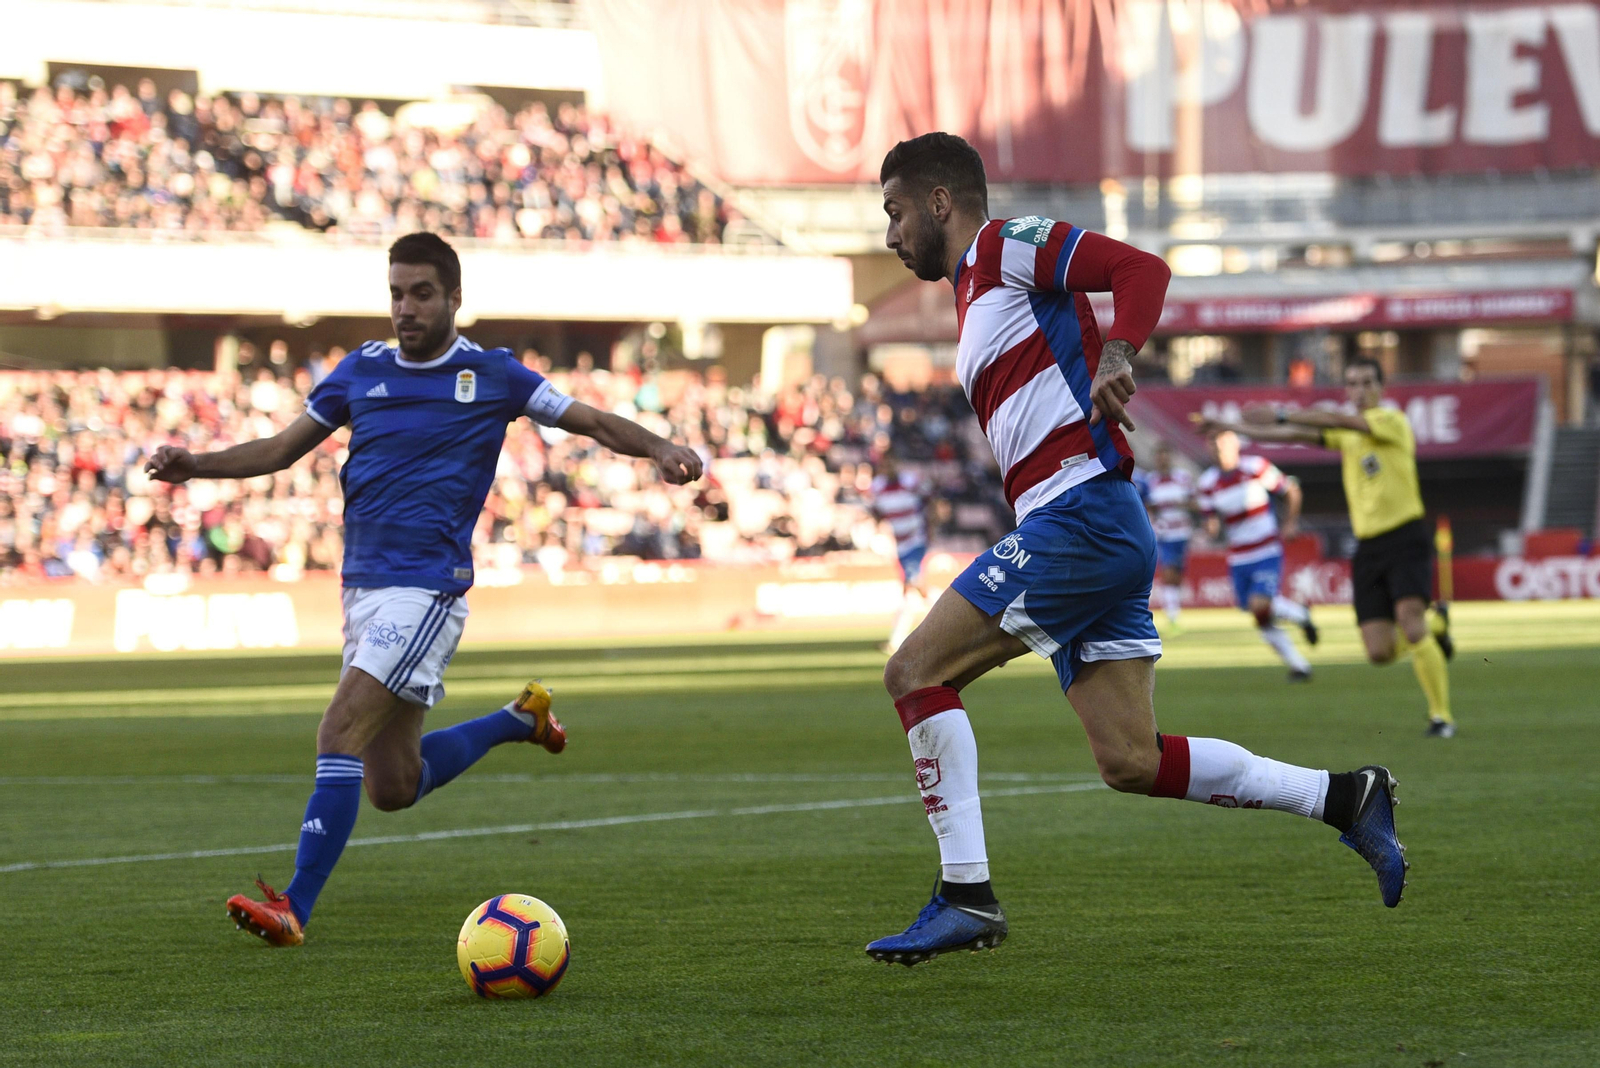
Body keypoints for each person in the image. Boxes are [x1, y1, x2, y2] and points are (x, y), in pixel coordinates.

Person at [865, 132, 1407, 967]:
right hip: (1094, 522)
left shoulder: (1006, 245)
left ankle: (966, 895)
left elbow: (1141, 271)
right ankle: (1345, 798)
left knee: (913, 672)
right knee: (1130, 759)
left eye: (896, 212)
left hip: (1078, 517)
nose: (891, 234)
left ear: (941, 201)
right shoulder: (974, 291)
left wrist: (1120, 351)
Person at [145, 233, 703, 946]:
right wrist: (195, 464)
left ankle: (295, 907)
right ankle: (517, 719)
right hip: (363, 590)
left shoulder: (492, 374)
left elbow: (589, 420)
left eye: (421, 293)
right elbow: (280, 450)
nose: (405, 308)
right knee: (392, 786)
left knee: (337, 731)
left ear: (454, 299)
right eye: (396, 293)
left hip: (426, 589)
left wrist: (658, 447)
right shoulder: (358, 372)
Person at [1197, 357, 1455, 736]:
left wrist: (1283, 412)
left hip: (1405, 537)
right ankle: (1437, 623)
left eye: (1367, 382)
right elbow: (1297, 434)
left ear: (1381, 387)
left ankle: (1440, 716)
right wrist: (1236, 426)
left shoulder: (1390, 421)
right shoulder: (1347, 433)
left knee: (1410, 625)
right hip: (1368, 546)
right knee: (1379, 652)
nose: (1360, 390)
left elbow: (1337, 420)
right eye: (1352, 383)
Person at [1195, 430, 1319, 680]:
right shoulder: (1207, 483)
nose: (1218, 448)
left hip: (1265, 550)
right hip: (1238, 556)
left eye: (1222, 442)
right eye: (1213, 443)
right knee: (1260, 617)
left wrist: (1291, 523)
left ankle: (1299, 618)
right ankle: (1300, 663)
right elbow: (1211, 521)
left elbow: (1291, 490)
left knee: (1259, 604)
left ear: (1235, 445)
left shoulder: (1256, 467)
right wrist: (1209, 529)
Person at [870, 454, 931, 653]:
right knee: (914, 591)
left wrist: (931, 526)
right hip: (900, 545)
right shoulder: (877, 486)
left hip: (916, 541)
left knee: (911, 585)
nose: (889, 468)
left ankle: (897, 639)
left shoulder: (909, 482)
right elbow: (877, 511)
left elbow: (929, 499)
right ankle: (898, 639)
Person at [1139, 442, 1197, 633]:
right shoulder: (1149, 481)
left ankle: (1175, 612)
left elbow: (1195, 504)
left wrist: (1181, 504)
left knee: (1178, 575)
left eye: (1165, 455)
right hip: (1163, 533)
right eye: (1159, 455)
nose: (1162, 459)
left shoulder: (1183, 478)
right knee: (1169, 571)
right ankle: (1172, 617)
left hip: (1182, 532)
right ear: (1155, 459)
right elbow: (1143, 506)